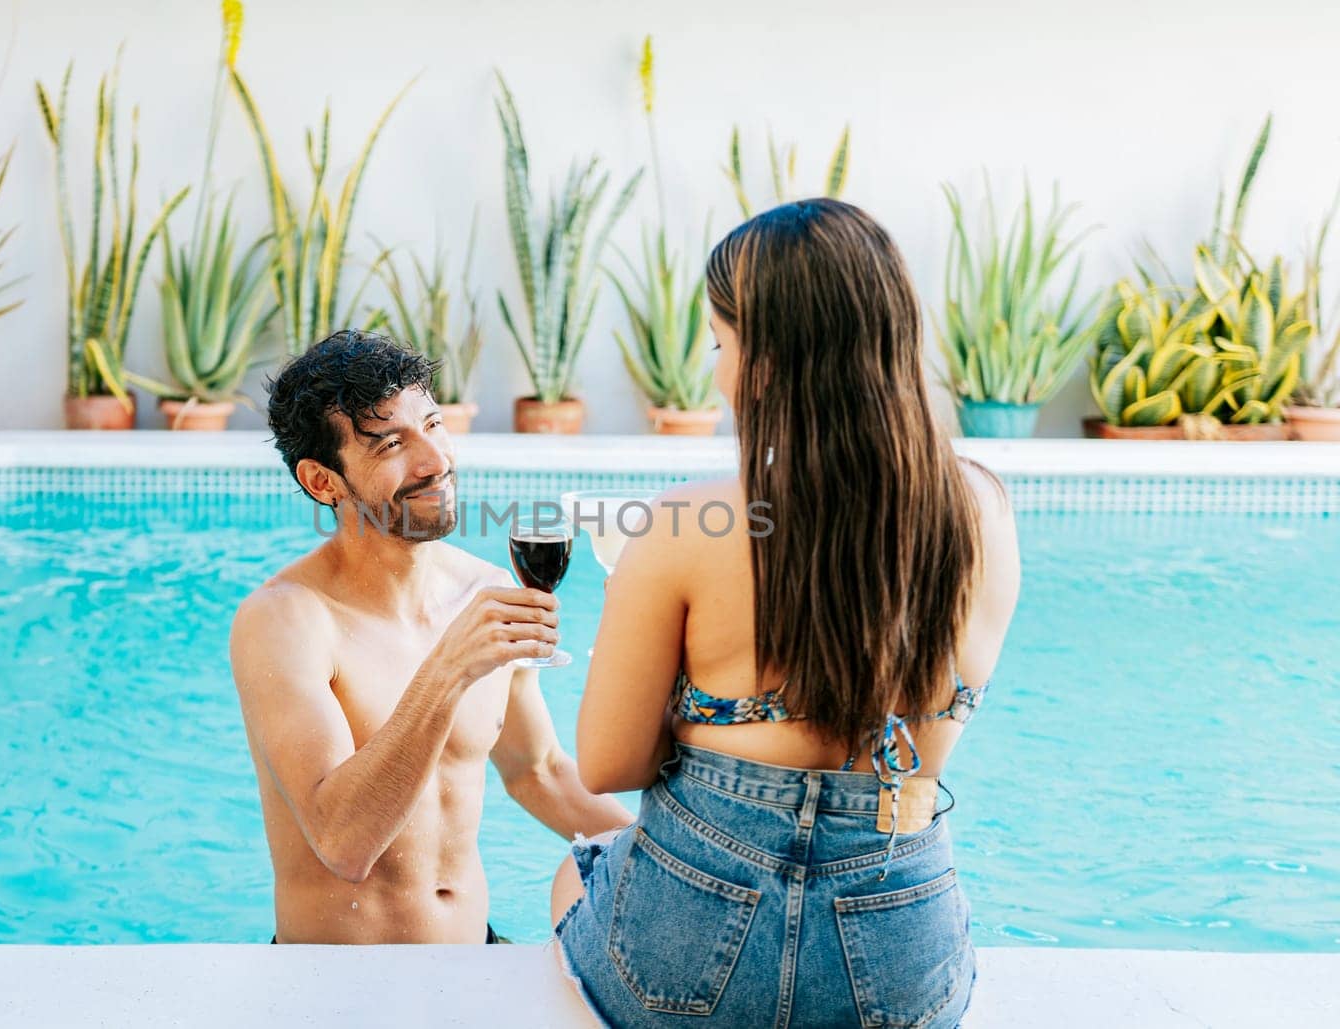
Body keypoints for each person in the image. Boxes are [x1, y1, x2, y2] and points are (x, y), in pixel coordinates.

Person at [549, 199, 1020, 1027]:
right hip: (898, 946)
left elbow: (609, 764)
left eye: (721, 342)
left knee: (573, 872)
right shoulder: (982, 511)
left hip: (691, 946)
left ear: (767, 360)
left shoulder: (688, 526)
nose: (716, 370)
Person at [232, 329, 632, 945]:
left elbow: (539, 773)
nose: (434, 460)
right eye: (392, 443)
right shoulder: (287, 620)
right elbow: (343, 844)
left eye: (434, 424)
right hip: (338, 985)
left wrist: (670, 859)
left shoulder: (485, 587)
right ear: (322, 481)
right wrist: (449, 670)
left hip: (477, 955)